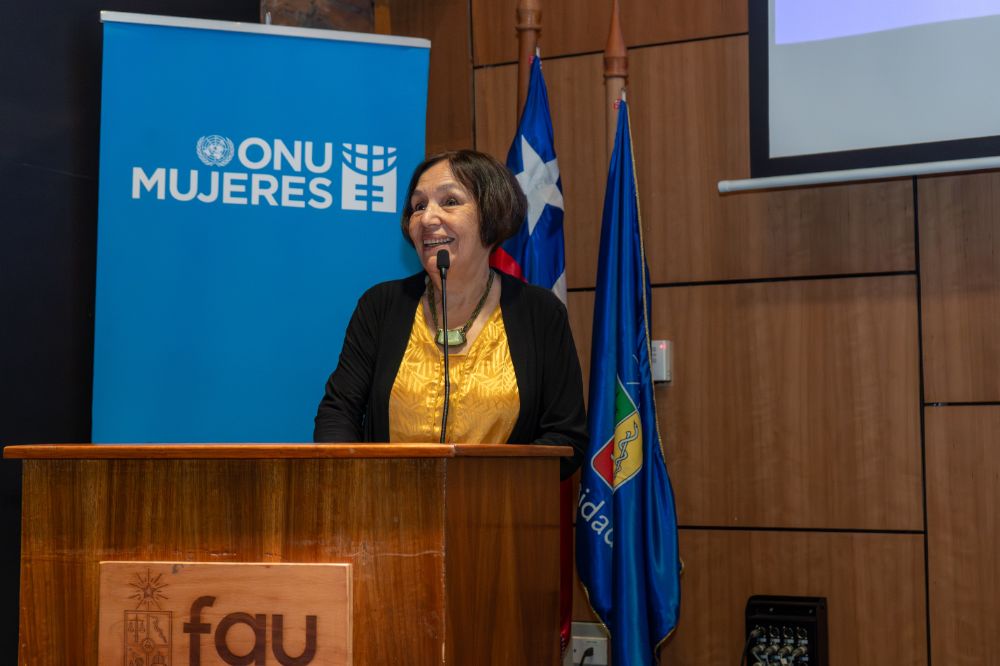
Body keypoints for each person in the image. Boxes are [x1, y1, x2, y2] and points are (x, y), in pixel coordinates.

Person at [314, 149, 586, 478]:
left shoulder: (539, 314)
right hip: (385, 515)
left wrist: (484, 490)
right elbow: (338, 413)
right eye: (418, 206)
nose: (427, 218)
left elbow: (566, 436)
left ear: (491, 212)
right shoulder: (381, 306)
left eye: (450, 202)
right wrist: (358, 485)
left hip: (500, 517)